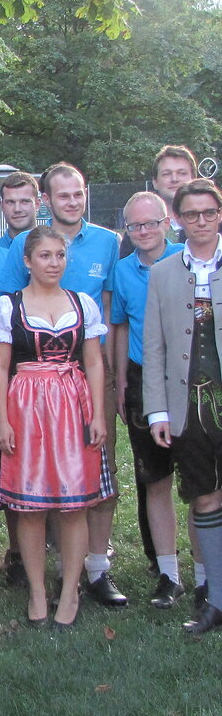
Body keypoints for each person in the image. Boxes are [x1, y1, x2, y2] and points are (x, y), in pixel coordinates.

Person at [6, 163, 125, 608]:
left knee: (96, 472)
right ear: (47, 200)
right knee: (41, 481)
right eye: (63, 195)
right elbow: (6, 304)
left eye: (78, 194)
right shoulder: (24, 243)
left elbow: (110, 308)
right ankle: (52, 571)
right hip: (34, 380)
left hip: (88, 374)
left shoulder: (108, 242)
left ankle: (96, 568)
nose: (72, 201)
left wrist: (109, 380)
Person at [0, 226, 107, 628]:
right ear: (27, 261)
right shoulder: (9, 306)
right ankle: (38, 591)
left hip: (72, 405)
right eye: (44, 255)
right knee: (30, 507)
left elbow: (94, 361)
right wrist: (2, 419)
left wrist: (99, 414)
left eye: (59, 255)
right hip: (26, 406)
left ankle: (70, 589)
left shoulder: (82, 303)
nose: (54, 263)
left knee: (73, 506)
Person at [143, 178, 222, 634]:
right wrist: (158, 411)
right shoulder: (163, 273)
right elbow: (154, 347)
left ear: (219, 214)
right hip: (186, 406)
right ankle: (216, 599)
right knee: (204, 496)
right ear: (177, 220)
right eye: (191, 214)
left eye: (209, 212)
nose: (201, 221)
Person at [112, 192, 184, 608]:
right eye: (135, 225)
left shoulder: (185, 260)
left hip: (189, 378)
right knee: (155, 478)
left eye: (151, 223)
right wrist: (121, 380)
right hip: (143, 378)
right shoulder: (123, 271)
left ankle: (207, 574)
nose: (143, 231)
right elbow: (120, 326)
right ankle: (169, 574)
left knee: (200, 482)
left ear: (166, 222)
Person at [0, 172, 40, 249]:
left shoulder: (56, 248)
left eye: (25, 201)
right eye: (10, 202)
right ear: (2, 206)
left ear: (37, 204)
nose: (17, 209)